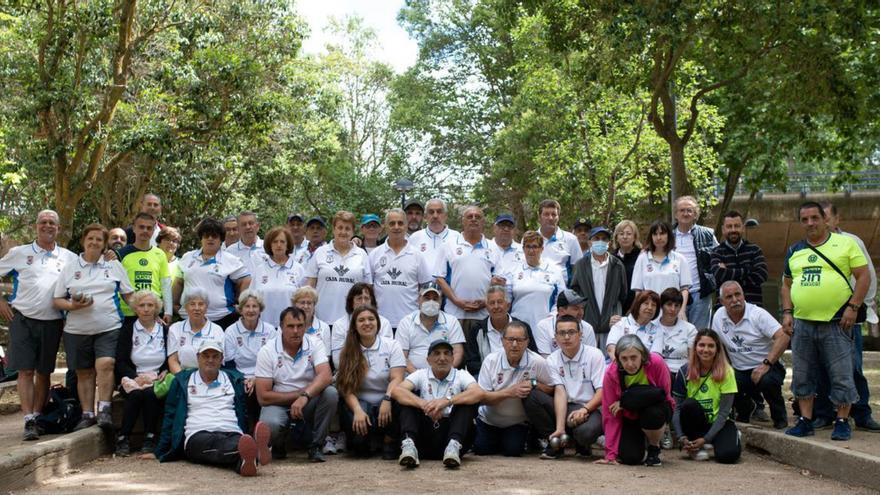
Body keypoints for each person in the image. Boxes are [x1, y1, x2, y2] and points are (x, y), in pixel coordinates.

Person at [782, 201, 869, 441]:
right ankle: (805, 420)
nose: (810, 223)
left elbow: (864, 277)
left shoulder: (846, 244)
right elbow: (786, 285)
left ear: (824, 219)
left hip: (837, 322)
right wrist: (787, 312)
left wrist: (853, 307)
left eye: (814, 218)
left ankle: (842, 421)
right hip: (803, 323)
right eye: (804, 219)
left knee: (842, 373)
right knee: (802, 374)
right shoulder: (794, 250)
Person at [0, 210, 77, 440]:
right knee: (25, 370)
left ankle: (38, 416)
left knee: (44, 372)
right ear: (36, 226)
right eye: (43, 222)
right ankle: (28, 420)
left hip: (53, 321)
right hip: (22, 318)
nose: (47, 226)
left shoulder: (69, 257)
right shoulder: (19, 253)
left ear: (59, 228)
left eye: (52, 223)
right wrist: (1, 301)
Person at [53, 223, 134, 429]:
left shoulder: (113, 265)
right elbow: (57, 300)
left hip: (109, 326)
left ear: (104, 244)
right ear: (84, 241)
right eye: (91, 238)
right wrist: (72, 305)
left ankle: (105, 408)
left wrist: (147, 312)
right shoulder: (70, 267)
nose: (94, 242)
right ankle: (88, 414)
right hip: (76, 330)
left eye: (99, 239)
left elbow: (128, 294)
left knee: (106, 364)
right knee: (84, 372)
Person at [155, 340, 271, 477]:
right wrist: (161, 450)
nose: (210, 360)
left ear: (222, 359)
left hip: (231, 430)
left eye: (215, 356)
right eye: (206, 356)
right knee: (215, 444)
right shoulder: (182, 381)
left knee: (235, 443)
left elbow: (244, 412)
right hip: (197, 434)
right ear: (198, 358)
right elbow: (170, 415)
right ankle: (255, 451)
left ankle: (245, 461)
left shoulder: (234, 380)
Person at [811, 202, 880, 432]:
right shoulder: (810, 246)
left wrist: (858, 307)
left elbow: (867, 276)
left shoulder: (852, 242)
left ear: (836, 219)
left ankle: (861, 412)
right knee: (821, 367)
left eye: (826, 216)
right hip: (819, 316)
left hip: (848, 315)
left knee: (853, 366)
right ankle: (823, 412)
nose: (822, 221)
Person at [254, 307, 338, 462]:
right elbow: (263, 397)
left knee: (331, 393)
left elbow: (326, 375)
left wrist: (305, 396)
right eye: (290, 326)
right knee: (270, 424)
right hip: (280, 402)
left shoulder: (315, 343)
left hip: (308, 400)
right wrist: (300, 395)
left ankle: (316, 445)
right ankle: (279, 445)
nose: (296, 331)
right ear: (280, 327)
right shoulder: (267, 350)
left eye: (300, 326)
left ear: (305, 326)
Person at [393, 340, 482, 468]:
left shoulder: (461, 375)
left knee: (467, 402)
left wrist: (447, 401)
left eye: (447, 354)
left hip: (451, 433)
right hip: (424, 435)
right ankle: (409, 445)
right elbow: (397, 391)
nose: (442, 358)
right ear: (428, 359)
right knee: (406, 401)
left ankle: (453, 446)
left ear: (452, 358)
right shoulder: (420, 374)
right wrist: (423, 404)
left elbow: (478, 393)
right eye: (437, 353)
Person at [712, 281, 789, 430]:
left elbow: (784, 336)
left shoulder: (757, 314)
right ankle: (746, 409)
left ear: (743, 295)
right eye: (729, 297)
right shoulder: (718, 316)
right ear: (721, 302)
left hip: (767, 366)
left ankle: (780, 417)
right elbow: (718, 345)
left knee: (768, 382)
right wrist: (724, 367)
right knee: (723, 378)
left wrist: (766, 364)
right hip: (739, 368)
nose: (735, 300)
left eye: (737, 294)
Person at [475, 321, 554, 457]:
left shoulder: (537, 361)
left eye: (520, 340)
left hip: (517, 423)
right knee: (481, 449)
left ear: (527, 341)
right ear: (502, 341)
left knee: (513, 451)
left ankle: (531, 437)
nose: (515, 344)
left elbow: (552, 388)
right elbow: (482, 398)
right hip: (489, 420)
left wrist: (533, 383)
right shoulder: (491, 361)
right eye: (510, 339)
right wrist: (509, 392)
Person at [335, 305, 405, 459]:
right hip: (360, 403)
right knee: (360, 449)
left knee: (404, 396)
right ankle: (363, 440)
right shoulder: (347, 351)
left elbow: (397, 378)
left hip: (387, 400)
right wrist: (358, 410)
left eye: (371, 319)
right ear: (354, 325)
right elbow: (346, 388)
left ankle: (389, 439)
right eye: (361, 320)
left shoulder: (391, 345)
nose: (367, 323)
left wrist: (387, 398)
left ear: (378, 323)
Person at [534, 315, 605, 459]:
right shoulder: (552, 359)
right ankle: (555, 441)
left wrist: (585, 410)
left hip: (590, 408)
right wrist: (560, 427)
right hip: (565, 407)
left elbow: (602, 391)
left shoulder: (595, 354)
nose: (566, 337)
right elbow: (560, 391)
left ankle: (580, 442)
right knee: (532, 396)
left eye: (571, 332)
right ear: (555, 337)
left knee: (586, 433)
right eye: (562, 333)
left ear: (580, 334)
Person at [598, 334, 674, 466]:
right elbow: (610, 414)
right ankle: (640, 440)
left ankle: (653, 447)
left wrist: (626, 402)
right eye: (624, 359)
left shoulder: (656, 362)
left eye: (634, 357)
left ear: (642, 355)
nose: (630, 364)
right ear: (617, 359)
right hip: (630, 416)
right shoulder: (611, 373)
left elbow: (664, 396)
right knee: (630, 458)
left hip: (655, 410)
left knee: (653, 414)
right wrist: (610, 454)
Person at [672, 329, 741, 463]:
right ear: (695, 347)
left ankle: (725, 438)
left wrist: (706, 438)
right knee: (689, 404)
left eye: (711, 346)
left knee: (728, 456)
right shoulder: (684, 371)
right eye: (702, 345)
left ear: (717, 349)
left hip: (719, 423)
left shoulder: (727, 372)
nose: (706, 350)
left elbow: (724, 413)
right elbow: (677, 409)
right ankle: (696, 446)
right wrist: (681, 437)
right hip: (695, 423)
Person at [434, 205, 503, 337]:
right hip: (454, 314)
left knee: (482, 355)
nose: (473, 219)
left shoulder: (494, 248)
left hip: (484, 314)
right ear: (463, 221)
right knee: (455, 353)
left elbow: (499, 280)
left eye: (478, 217)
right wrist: (456, 301)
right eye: (469, 217)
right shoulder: (449, 245)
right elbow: (439, 278)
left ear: (483, 222)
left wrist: (486, 301)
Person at [114, 291, 168, 456]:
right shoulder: (128, 330)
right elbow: (120, 361)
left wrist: (165, 370)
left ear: (156, 308)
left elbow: (172, 355)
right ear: (135, 309)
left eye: (150, 305)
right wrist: (135, 377)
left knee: (151, 394)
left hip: (158, 376)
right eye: (142, 305)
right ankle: (123, 437)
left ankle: (150, 437)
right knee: (137, 394)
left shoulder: (165, 330)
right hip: (133, 375)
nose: (146, 309)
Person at [174, 217, 251, 329]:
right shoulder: (187, 257)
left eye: (214, 236)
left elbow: (246, 279)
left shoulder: (230, 260)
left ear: (221, 239)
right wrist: (174, 305)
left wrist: (241, 303)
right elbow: (178, 282)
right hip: (188, 318)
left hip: (221, 318)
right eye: (206, 235)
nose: (210, 239)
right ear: (201, 238)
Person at [369, 208, 434, 332]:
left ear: (406, 226)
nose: (396, 227)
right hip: (380, 322)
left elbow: (426, 288)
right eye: (392, 223)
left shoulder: (417, 255)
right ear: (385, 227)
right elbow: (369, 287)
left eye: (400, 223)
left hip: (411, 322)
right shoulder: (375, 254)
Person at [223, 290, 278, 432]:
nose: (251, 310)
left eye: (255, 306)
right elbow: (229, 364)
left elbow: (275, 360)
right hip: (239, 377)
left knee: (261, 390)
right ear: (240, 309)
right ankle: (243, 434)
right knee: (243, 392)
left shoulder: (270, 330)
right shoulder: (230, 331)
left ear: (260, 309)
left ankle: (263, 434)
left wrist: (256, 378)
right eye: (247, 306)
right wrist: (243, 379)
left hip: (264, 376)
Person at [306, 210, 372, 324]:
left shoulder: (362, 254)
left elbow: (368, 290)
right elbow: (310, 287)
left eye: (347, 228)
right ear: (333, 229)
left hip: (352, 322)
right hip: (322, 321)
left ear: (352, 231)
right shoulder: (320, 252)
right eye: (340, 227)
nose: (343, 232)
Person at [570, 226, 629, 348]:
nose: (600, 241)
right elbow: (575, 292)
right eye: (596, 238)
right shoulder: (581, 265)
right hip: (587, 324)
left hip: (612, 325)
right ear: (590, 241)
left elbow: (623, 295)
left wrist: (616, 313)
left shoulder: (617, 265)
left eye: (604, 239)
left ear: (609, 243)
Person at [464, 286, 537, 375]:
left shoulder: (523, 327)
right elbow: (472, 363)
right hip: (487, 378)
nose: (496, 306)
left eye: (500, 302)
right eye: (492, 303)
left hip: (519, 376)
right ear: (486, 307)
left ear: (508, 305)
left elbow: (534, 357)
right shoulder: (477, 330)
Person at [503, 230, 566, 333]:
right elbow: (507, 301)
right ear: (523, 249)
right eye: (528, 247)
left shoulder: (554, 271)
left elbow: (560, 300)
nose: (531, 251)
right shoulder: (513, 271)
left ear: (542, 249)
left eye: (535, 247)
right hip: (518, 327)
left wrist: (552, 317)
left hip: (545, 327)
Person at [395, 283, 465, 372]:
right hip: (412, 376)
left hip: (445, 375)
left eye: (435, 299)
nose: (431, 302)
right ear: (418, 300)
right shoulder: (406, 322)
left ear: (441, 301)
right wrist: (419, 377)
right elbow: (401, 356)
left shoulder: (452, 321)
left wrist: (445, 372)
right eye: (427, 298)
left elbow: (457, 353)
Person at [118, 212, 172, 326]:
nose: (145, 231)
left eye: (149, 228)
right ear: (134, 228)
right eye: (141, 227)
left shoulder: (160, 254)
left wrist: (168, 311)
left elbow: (165, 284)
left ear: (153, 231)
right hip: (127, 313)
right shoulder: (121, 254)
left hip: (153, 313)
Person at [672, 196, 718, 330]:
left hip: (700, 294)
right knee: (675, 335)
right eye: (682, 210)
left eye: (689, 210)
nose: (685, 214)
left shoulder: (707, 234)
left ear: (695, 214)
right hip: (673, 295)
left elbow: (718, 257)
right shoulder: (667, 235)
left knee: (699, 336)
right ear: (676, 214)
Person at [631, 220, 691, 318]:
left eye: (662, 233)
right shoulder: (642, 258)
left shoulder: (679, 259)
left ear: (669, 235)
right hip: (649, 313)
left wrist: (681, 310)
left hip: (673, 312)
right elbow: (638, 291)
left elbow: (684, 289)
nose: (658, 238)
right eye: (655, 234)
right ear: (651, 237)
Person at [709, 211, 768, 306]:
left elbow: (761, 275)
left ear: (743, 228)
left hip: (753, 307)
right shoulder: (716, 252)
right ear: (723, 229)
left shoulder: (754, 250)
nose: (733, 230)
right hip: (724, 309)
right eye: (729, 226)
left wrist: (728, 274)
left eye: (737, 226)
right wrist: (748, 270)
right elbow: (719, 275)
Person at [250, 226, 305, 328]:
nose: (278, 245)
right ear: (269, 245)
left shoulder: (298, 269)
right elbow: (252, 299)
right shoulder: (260, 270)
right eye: (275, 242)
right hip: (264, 328)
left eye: (282, 242)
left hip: (292, 328)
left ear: (288, 245)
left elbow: (304, 302)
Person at [330, 283, 393, 367]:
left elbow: (387, 356)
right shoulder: (339, 325)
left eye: (366, 298)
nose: (363, 302)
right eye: (359, 298)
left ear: (372, 301)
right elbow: (337, 362)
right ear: (351, 302)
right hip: (350, 373)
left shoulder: (384, 323)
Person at [167, 289, 225, 373]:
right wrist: (183, 379)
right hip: (182, 376)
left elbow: (218, 362)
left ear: (206, 307)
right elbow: (173, 361)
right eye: (192, 304)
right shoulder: (175, 328)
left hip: (208, 376)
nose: (197, 308)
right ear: (186, 307)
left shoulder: (217, 330)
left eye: (201, 304)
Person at [534, 290, 598, 357]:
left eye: (582, 308)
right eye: (576, 309)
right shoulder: (544, 326)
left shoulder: (588, 328)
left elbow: (591, 356)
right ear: (561, 311)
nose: (581, 313)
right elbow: (546, 359)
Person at [652, 288, 697, 379]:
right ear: (661, 306)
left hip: (681, 374)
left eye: (676, 305)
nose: (673, 309)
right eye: (669, 305)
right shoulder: (651, 326)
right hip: (657, 374)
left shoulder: (690, 329)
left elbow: (693, 359)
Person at [408, 198, 463, 271]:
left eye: (439, 212)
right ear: (425, 216)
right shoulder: (414, 238)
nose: (435, 216)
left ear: (446, 215)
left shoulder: (457, 237)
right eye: (431, 212)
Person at [537, 199, 583, 283]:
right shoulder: (530, 239)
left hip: (562, 293)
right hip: (536, 291)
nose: (550, 218)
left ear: (558, 217)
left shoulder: (571, 239)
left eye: (554, 214)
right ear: (539, 217)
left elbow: (578, 270)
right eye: (546, 214)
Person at [606, 290, 661, 357]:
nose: (650, 308)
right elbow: (611, 349)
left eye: (653, 305)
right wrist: (623, 366)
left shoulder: (657, 330)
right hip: (618, 365)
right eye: (646, 303)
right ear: (637, 305)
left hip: (645, 367)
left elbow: (655, 357)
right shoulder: (621, 323)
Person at [291, 286, 332, 362]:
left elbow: (326, 358)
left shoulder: (324, 327)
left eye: (309, 303)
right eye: (302, 302)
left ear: (314, 305)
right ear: (295, 305)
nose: (306, 306)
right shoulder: (285, 326)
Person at [612, 220, 641, 314]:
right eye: (621, 234)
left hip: (637, 306)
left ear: (634, 237)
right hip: (615, 308)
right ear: (616, 237)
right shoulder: (610, 258)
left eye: (629, 234)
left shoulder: (642, 256)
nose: (625, 237)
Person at [225, 211, 265, 277]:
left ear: (257, 226)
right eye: (244, 224)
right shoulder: (229, 252)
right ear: (238, 229)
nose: (248, 227)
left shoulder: (268, 247)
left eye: (251, 223)